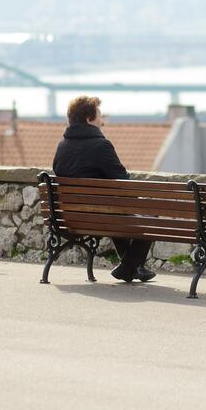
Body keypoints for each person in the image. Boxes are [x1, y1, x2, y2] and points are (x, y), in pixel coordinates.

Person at [52, 95, 155, 283]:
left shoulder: (62, 146)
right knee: (150, 219)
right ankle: (128, 268)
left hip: (71, 218)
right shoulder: (101, 146)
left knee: (114, 212)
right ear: (89, 119)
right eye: (100, 115)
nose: (103, 121)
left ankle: (134, 267)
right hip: (100, 217)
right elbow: (124, 183)